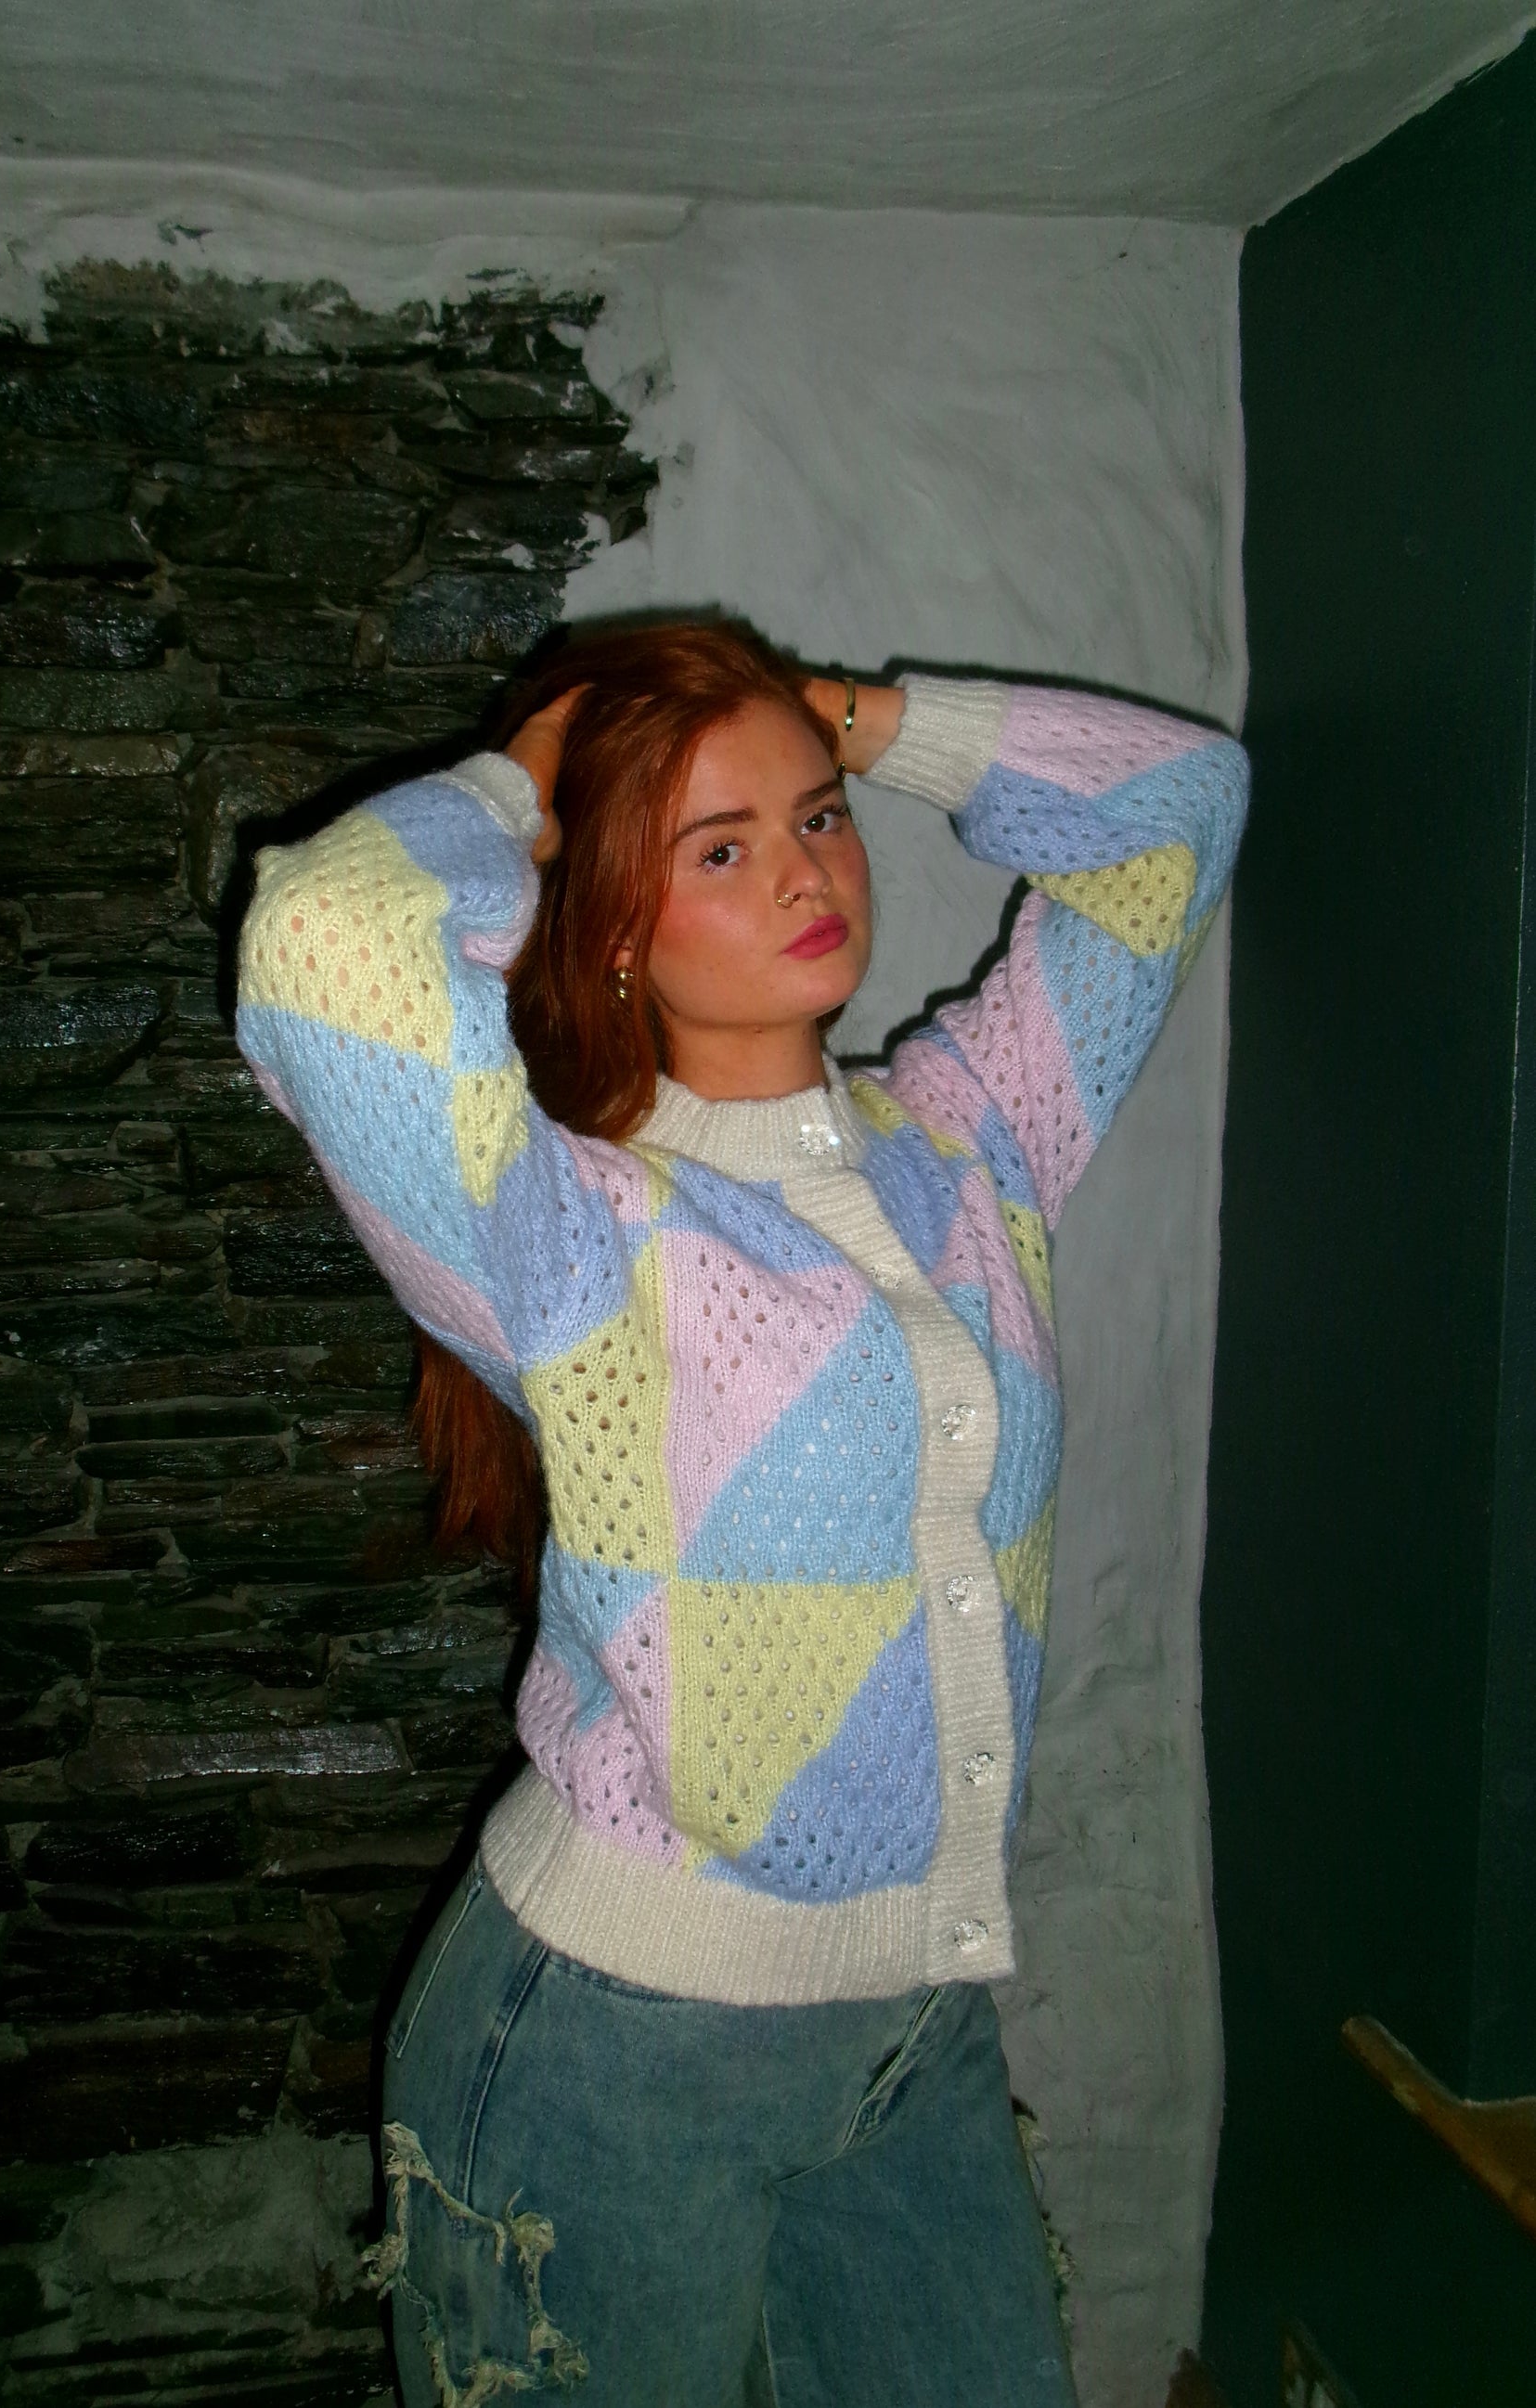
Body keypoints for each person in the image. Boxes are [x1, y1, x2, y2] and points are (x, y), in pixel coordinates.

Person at [236, 621, 1248, 2408]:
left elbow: (1181, 804)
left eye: (818, 817)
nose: (804, 872)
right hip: (613, 2055)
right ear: (615, 924)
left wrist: (850, 717)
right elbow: (321, 939)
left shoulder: (970, 1143)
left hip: (909, 2030)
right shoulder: (576, 1230)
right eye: (719, 847)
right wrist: (530, 781)